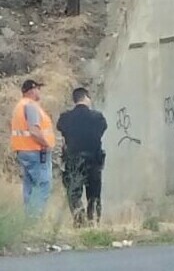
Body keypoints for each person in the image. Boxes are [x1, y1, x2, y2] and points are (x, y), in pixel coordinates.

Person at [57, 87, 108, 227]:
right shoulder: (97, 117)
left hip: (73, 160)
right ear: (86, 98)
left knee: (74, 192)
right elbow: (102, 129)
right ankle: (93, 222)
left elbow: (61, 129)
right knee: (94, 194)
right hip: (93, 159)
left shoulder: (65, 118)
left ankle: (79, 221)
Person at [10, 79, 56, 219]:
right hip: (36, 151)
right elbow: (34, 131)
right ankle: (34, 219)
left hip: (24, 151)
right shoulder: (31, 106)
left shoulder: (19, 106)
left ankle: (28, 220)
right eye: (38, 89)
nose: (39, 92)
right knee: (43, 184)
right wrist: (46, 144)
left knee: (29, 186)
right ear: (32, 90)